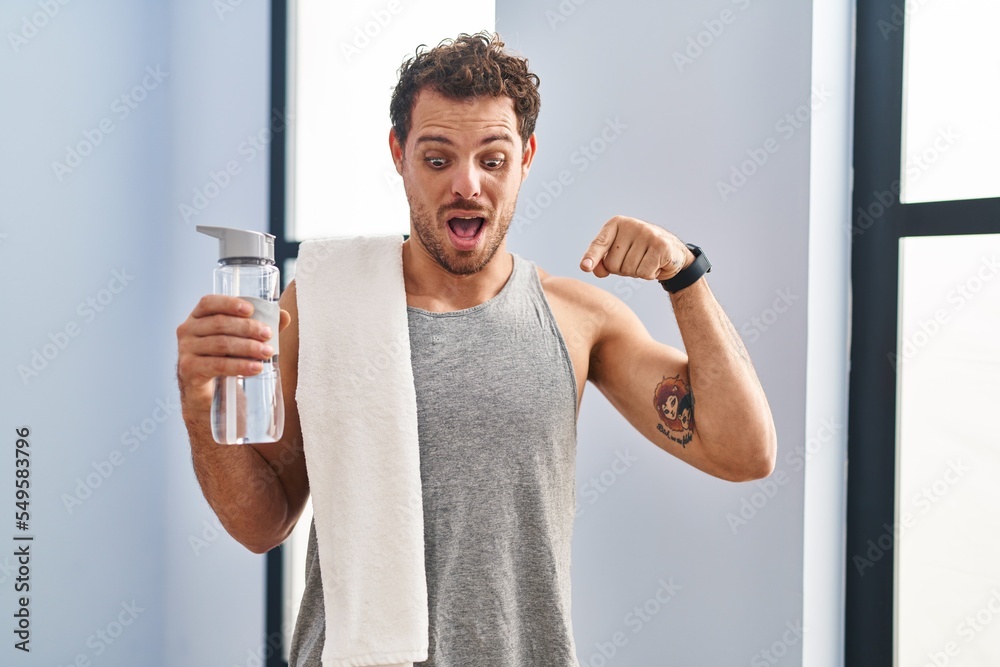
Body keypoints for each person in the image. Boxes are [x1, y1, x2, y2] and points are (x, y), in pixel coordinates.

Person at [176, 32, 776, 667]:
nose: (466, 185)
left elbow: (745, 452)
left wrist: (685, 277)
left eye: (492, 160)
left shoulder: (578, 320)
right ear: (398, 154)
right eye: (437, 160)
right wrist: (199, 407)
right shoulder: (323, 301)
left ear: (526, 158)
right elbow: (262, 525)